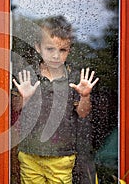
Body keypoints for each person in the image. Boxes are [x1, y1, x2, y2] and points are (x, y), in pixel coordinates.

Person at [11, 15, 99, 184]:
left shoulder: (73, 77)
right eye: (50, 49)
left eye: (62, 50)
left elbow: (82, 113)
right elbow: (15, 108)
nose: (56, 56)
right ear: (38, 48)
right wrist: (25, 98)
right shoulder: (29, 74)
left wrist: (85, 96)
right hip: (30, 152)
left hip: (62, 156)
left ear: (69, 50)